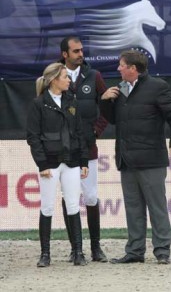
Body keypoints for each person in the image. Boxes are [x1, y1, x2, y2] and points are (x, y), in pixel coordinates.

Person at [100, 50, 171, 265]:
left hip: (151, 159)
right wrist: (104, 102)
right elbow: (113, 120)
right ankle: (135, 251)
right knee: (133, 208)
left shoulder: (158, 87)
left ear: (133, 68)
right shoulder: (118, 90)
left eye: (121, 65)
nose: (118, 68)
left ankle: (162, 250)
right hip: (126, 159)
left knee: (157, 206)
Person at [27, 62, 89, 267]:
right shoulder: (38, 104)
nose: (69, 80)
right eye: (65, 77)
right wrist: (42, 163)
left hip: (71, 161)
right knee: (47, 207)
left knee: (73, 205)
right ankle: (45, 254)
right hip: (50, 163)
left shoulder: (72, 101)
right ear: (54, 80)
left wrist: (83, 160)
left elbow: (79, 133)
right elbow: (33, 137)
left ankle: (78, 251)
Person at [59, 36, 108, 263]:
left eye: (82, 50)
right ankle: (74, 248)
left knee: (90, 196)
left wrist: (95, 132)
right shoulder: (54, 76)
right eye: (76, 51)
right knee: (69, 197)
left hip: (88, 148)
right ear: (65, 54)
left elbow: (107, 106)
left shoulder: (94, 76)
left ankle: (96, 247)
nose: (81, 54)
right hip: (63, 150)